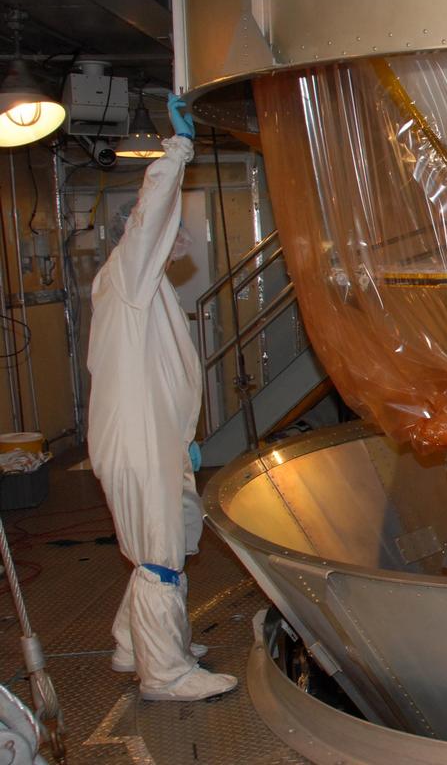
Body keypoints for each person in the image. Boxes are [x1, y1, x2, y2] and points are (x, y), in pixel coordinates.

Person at [86, 94, 236, 701]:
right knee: (159, 553)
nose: (181, 239)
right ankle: (165, 673)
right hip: (138, 445)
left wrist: (181, 444)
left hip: (153, 441)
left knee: (168, 531)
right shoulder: (127, 276)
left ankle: (134, 643)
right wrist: (176, 153)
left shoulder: (143, 295)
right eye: (175, 230)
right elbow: (148, 220)